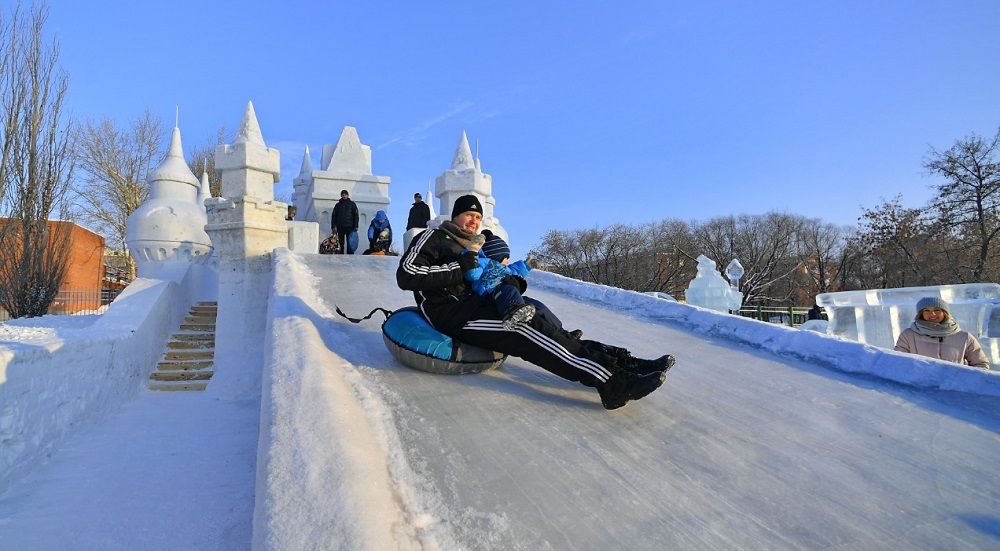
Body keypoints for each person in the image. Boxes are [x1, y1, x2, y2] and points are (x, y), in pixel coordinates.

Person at [397, 194, 674, 410]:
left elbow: (492, 278)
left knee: (543, 321)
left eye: (478, 217)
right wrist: (460, 266)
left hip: (478, 305)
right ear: (456, 215)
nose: (474, 221)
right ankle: (611, 382)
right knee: (524, 327)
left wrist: (513, 282)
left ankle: (624, 363)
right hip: (453, 313)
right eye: (469, 215)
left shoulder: (475, 247)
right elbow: (407, 274)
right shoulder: (434, 238)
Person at [894, 297, 990, 369]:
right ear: (921, 314)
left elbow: (981, 365)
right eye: (926, 310)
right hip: (919, 391)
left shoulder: (964, 337)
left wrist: (964, 383)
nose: (932, 314)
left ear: (945, 313)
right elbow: (898, 363)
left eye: (937, 310)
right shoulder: (908, 335)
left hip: (953, 391)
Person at [471, 230, 538, 330]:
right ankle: (513, 311)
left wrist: (526, 266)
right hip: (489, 293)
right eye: (505, 258)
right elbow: (473, 273)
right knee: (509, 290)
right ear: (496, 257)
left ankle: (558, 327)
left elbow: (515, 270)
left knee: (537, 305)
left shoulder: (505, 269)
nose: (508, 261)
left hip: (500, 293)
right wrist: (472, 252)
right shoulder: (483, 263)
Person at [331, 189, 359, 255]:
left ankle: (350, 256)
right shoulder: (338, 205)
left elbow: (356, 216)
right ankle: (341, 255)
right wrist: (333, 226)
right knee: (341, 243)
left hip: (350, 227)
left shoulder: (352, 204)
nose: (344, 196)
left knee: (350, 242)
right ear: (341, 196)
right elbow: (334, 215)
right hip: (340, 226)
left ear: (348, 195)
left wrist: (356, 226)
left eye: (345, 195)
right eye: (343, 195)